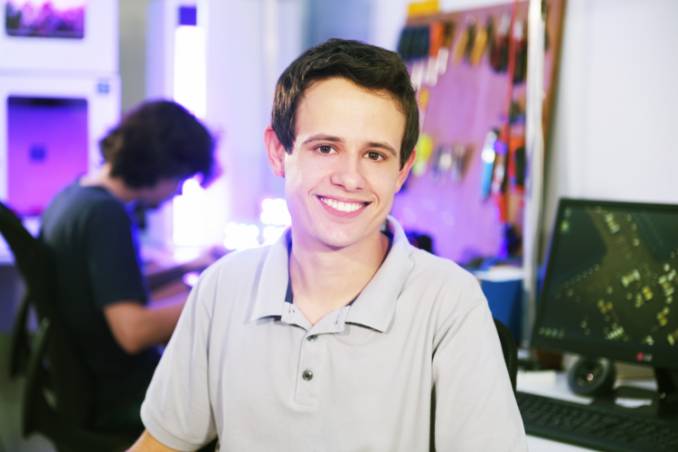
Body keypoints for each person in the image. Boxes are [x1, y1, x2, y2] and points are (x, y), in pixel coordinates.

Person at [131, 39, 527, 451]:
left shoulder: (449, 302)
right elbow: (160, 445)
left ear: (402, 170)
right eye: (325, 148)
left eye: (375, 155)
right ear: (278, 152)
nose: (349, 178)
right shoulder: (222, 288)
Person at [40, 99, 216, 433]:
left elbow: (111, 283)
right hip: (121, 394)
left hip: (87, 383)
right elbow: (133, 332)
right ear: (164, 164)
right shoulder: (106, 216)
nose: (179, 191)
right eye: (182, 178)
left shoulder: (73, 198)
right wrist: (211, 301)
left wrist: (189, 267)